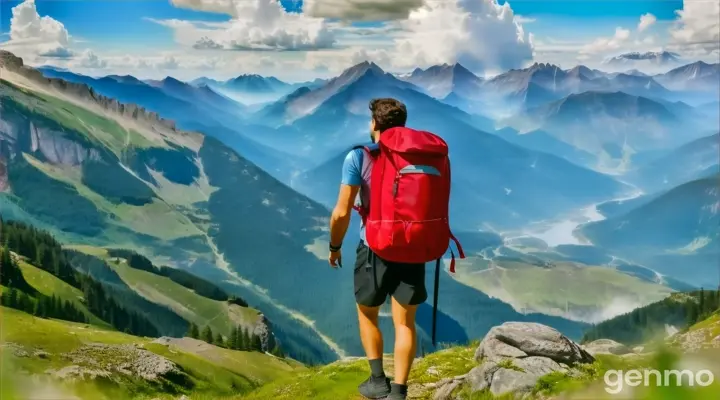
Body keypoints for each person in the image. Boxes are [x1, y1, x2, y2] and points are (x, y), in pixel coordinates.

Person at [328, 98, 425, 400]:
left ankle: (377, 381)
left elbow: (342, 213)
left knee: (367, 312)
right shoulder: (420, 156)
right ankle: (400, 391)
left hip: (374, 248)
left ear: (375, 124)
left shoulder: (360, 157)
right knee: (405, 321)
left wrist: (334, 246)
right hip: (413, 247)